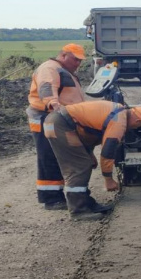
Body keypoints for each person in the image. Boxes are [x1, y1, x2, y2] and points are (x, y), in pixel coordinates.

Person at [43, 101, 141, 220]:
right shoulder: (119, 122)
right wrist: (108, 180)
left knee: (84, 163)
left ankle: (87, 203)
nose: (135, 128)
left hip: (58, 121)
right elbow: (107, 152)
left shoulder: (118, 112)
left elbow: (87, 132)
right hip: (60, 124)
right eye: (138, 125)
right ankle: (78, 211)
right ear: (138, 121)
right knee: (78, 167)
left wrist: (90, 154)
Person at [26, 43, 87, 210]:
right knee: (48, 156)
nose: (78, 64)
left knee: (56, 155)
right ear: (64, 55)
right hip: (46, 117)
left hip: (54, 117)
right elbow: (46, 89)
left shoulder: (63, 70)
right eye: (75, 60)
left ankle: (58, 196)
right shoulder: (50, 68)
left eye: (80, 61)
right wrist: (56, 107)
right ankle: (51, 198)